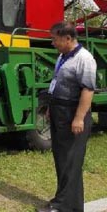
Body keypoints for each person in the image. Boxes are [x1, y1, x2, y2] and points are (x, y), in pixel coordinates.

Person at [38, 21, 96, 212]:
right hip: (58, 110)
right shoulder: (62, 56)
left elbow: (87, 91)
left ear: (68, 38)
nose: (52, 43)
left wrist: (79, 118)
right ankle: (70, 204)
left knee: (71, 160)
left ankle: (61, 206)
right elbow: (56, 82)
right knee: (63, 158)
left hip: (73, 113)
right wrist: (50, 107)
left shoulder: (84, 59)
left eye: (55, 39)